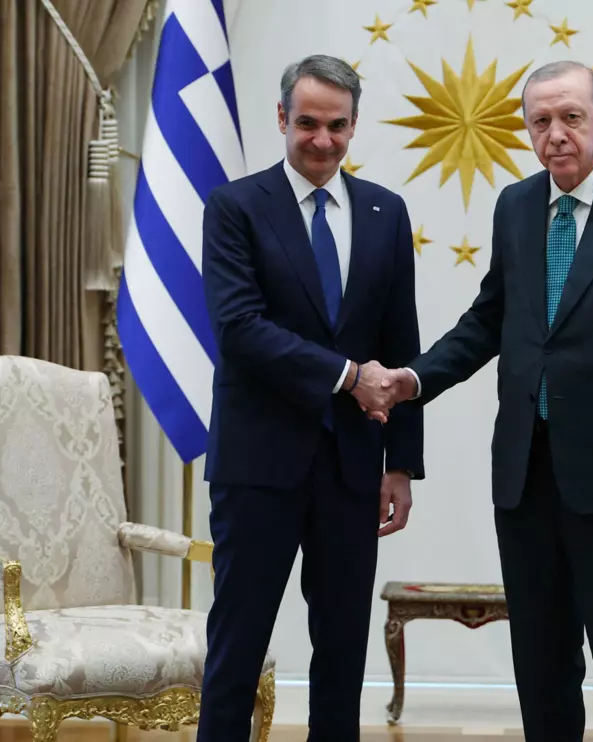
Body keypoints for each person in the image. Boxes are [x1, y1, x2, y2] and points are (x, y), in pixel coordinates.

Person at [373, 60, 593, 740]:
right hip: (527, 477)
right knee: (542, 661)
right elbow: (487, 321)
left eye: (570, 117)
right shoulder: (516, 206)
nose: (555, 133)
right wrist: (412, 380)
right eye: (539, 121)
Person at [197, 54, 424, 741]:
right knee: (237, 644)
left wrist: (400, 464)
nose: (321, 140)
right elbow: (239, 329)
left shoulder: (386, 211)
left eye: (336, 125)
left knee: (343, 650)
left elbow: (400, 341)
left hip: (353, 467)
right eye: (306, 123)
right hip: (258, 464)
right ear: (281, 119)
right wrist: (348, 376)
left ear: (354, 125)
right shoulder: (235, 206)